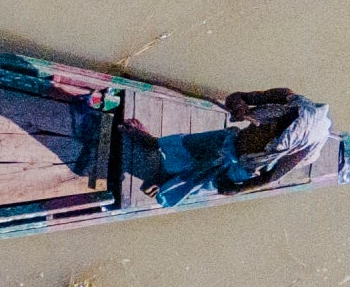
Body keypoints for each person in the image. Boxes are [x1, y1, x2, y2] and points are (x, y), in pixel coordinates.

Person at [131, 87, 331, 205]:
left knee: (197, 179)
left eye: (273, 132)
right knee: (185, 145)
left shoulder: (299, 149)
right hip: (228, 141)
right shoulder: (286, 97)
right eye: (270, 124)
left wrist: (238, 189)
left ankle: (168, 181)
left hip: (240, 166)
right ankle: (154, 143)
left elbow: (269, 177)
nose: (265, 128)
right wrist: (239, 106)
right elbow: (238, 97)